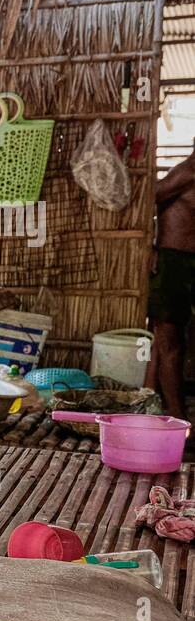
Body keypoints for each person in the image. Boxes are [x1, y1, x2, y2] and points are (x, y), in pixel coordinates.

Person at [146, 139, 195, 418]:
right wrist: (150, 246)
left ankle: (153, 401)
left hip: (188, 263)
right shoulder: (187, 173)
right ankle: (177, 415)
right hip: (173, 260)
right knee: (169, 339)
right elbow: (147, 199)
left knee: (172, 340)